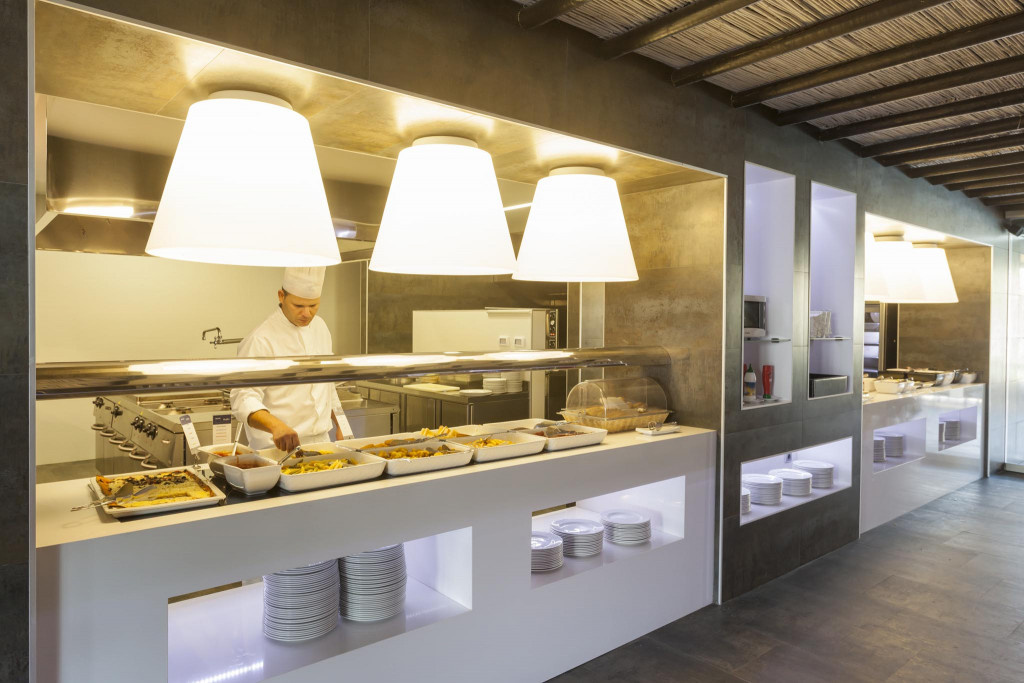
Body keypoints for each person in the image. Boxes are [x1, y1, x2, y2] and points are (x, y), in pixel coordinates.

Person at [230, 267, 349, 452]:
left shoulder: (320, 327)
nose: (307, 313)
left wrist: (342, 423)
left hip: (322, 443)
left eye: (313, 306)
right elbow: (243, 397)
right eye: (298, 306)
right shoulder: (260, 339)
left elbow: (327, 384)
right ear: (281, 296)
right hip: (277, 448)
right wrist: (276, 426)